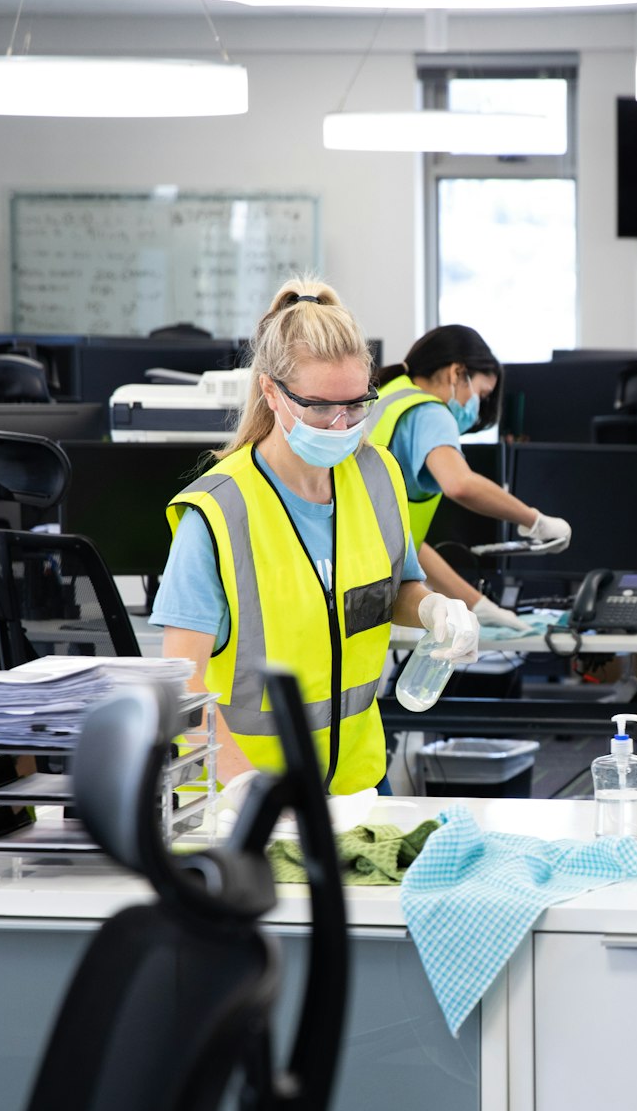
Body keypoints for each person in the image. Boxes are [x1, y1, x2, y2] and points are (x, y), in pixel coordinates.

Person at [153, 279, 480, 790]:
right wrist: (242, 787)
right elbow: (179, 682)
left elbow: (392, 592)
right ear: (271, 392)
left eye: (355, 404)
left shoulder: (378, 477)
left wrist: (435, 610)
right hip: (242, 800)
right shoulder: (219, 511)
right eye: (321, 407)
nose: (341, 424)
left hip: (356, 785)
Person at [365, 325, 573, 635]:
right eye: (482, 393)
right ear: (456, 373)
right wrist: (535, 520)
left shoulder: (390, 396)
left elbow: (408, 543)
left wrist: (478, 605)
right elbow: (460, 484)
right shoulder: (429, 412)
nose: (477, 411)